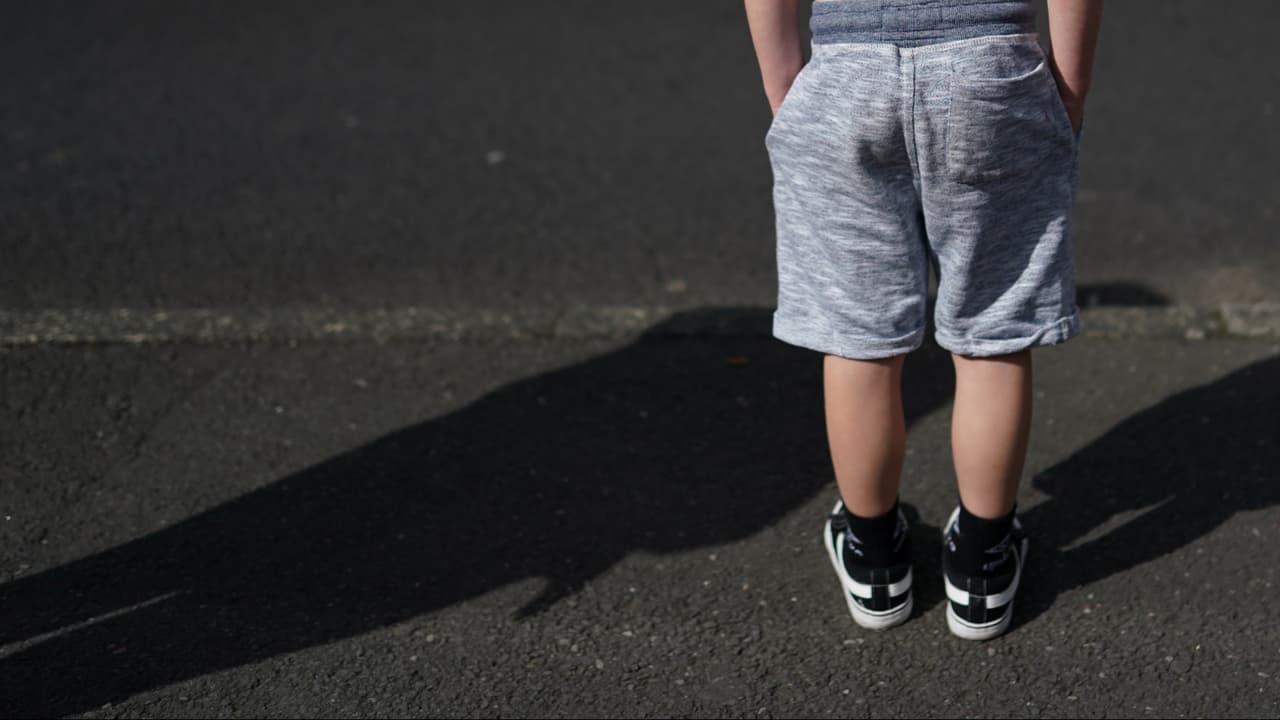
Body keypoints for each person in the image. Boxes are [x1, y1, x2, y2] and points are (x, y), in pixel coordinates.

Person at [744, 0, 1104, 640]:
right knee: (992, 330)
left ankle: (874, 554)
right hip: (990, 68)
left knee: (859, 335)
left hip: (844, 65)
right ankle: (984, 563)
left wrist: (786, 89)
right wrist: (1068, 88)